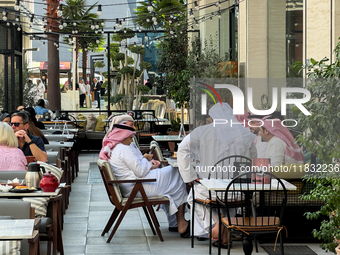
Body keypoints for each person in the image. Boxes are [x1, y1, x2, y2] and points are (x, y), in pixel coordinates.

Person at [177, 103, 257, 247]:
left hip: (210, 190)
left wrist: (190, 175)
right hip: (237, 191)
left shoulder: (202, 131)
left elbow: (182, 148)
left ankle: (215, 224)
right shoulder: (247, 134)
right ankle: (225, 232)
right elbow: (252, 162)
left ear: (213, 118)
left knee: (193, 196)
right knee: (229, 203)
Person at [99, 124, 190, 237]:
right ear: (122, 137)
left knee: (173, 181)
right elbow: (140, 171)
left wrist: (149, 165)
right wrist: (148, 163)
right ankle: (180, 223)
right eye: (130, 138)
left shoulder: (116, 148)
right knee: (176, 173)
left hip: (133, 186)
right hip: (137, 188)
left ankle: (175, 223)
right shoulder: (123, 149)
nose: (131, 141)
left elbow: (137, 167)